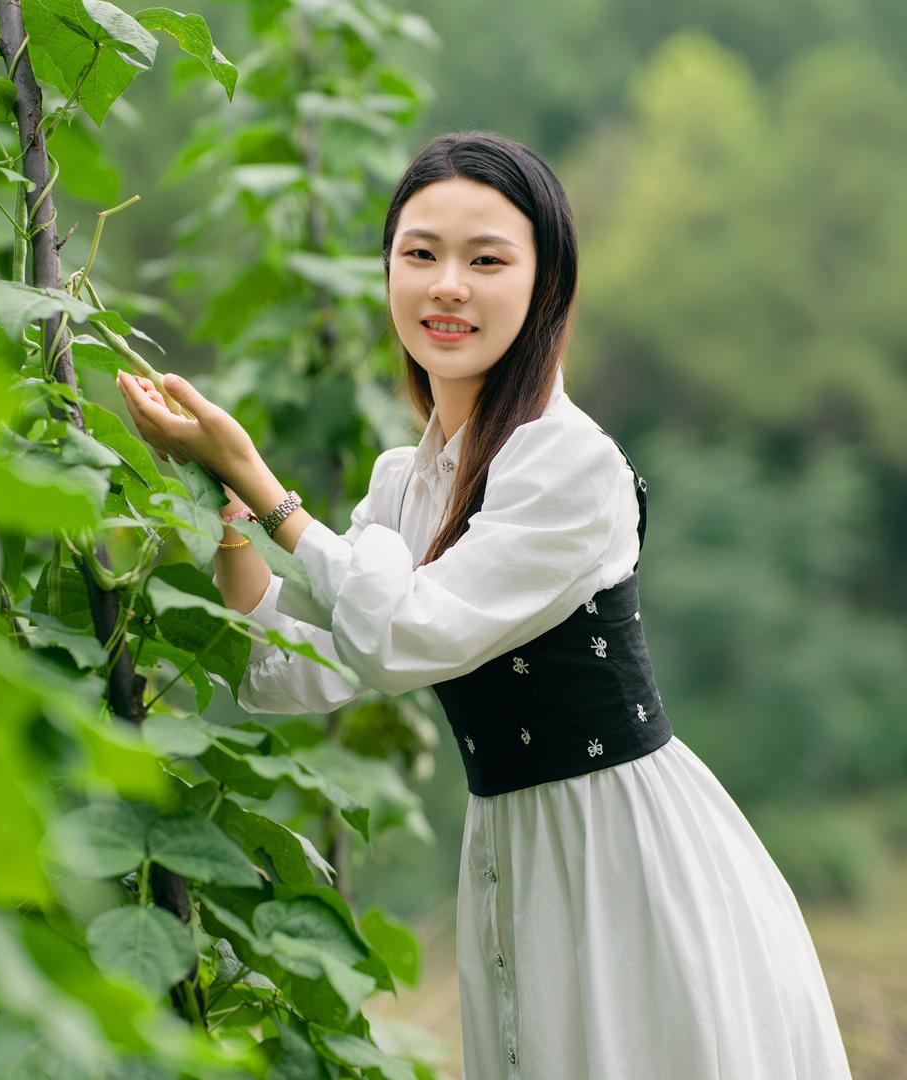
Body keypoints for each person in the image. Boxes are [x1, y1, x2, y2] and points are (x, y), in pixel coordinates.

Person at [117, 131, 853, 1079]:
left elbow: (400, 632)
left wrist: (264, 486)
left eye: (486, 260)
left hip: (624, 856)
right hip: (513, 845)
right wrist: (221, 503)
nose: (447, 286)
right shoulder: (406, 484)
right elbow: (287, 671)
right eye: (419, 254)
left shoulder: (569, 466)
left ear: (547, 288)